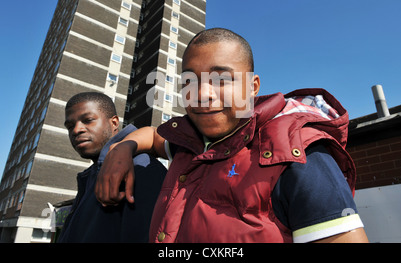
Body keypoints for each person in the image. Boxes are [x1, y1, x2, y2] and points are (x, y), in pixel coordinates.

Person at [95, 28, 369, 243]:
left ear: (252, 87)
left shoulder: (300, 154)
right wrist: (123, 148)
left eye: (221, 80)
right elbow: (153, 137)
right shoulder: (189, 141)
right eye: (190, 81)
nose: (202, 95)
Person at [57, 92, 167, 242]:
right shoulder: (89, 176)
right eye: (70, 126)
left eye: (88, 120)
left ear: (114, 123)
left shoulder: (140, 168)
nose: (76, 130)